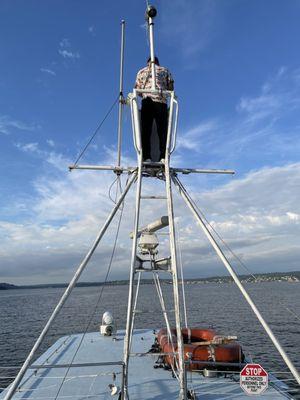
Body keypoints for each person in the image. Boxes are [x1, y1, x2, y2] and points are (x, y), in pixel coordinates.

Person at [135, 56, 174, 162]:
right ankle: (163, 157)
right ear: (158, 62)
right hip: (160, 102)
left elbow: (137, 90)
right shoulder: (165, 70)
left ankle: (146, 156)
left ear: (147, 62)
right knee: (162, 131)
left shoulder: (141, 72)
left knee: (146, 130)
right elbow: (170, 87)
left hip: (146, 102)